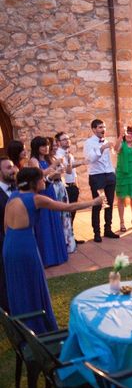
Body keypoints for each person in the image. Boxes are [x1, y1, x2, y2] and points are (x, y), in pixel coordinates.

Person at [3, 167, 102, 333]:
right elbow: (67, 207)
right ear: (33, 183)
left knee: (18, 286)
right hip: (25, 246)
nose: (44, 181)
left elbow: (5, 226)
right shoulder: (35, 199)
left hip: (9, 245)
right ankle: (38, 328)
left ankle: (22, 327)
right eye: (41, 179)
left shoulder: (12, 196)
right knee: (33, 284)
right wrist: (94, 202)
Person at [28, 136, 68, 266]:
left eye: (47, 145)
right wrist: (54, 165)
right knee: (44, 223)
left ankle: (57, 255)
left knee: (54, 221)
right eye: (43, 146)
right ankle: (47, 257)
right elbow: (38, 175)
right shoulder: (33, 160)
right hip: (41, 193)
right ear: (36, 148)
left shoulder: (46, 158)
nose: (46, 148)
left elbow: (49, 176)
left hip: (50, 190)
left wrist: (57, 173)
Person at [83, 119, 119, 242]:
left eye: (104, 127)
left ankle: (108, 229)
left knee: (109, 204)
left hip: (109, 174)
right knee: (98, 204)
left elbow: (112, 156)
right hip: (97, 176)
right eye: (99, 127)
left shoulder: (107, 141)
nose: (103, 129)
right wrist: (102, 148)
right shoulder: (88, 143)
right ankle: (96, 233)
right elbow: (90, 159)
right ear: (93, 129)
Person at [55, 131, 85, 243]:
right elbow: (67, 171)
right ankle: (66, 239)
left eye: (68, 138)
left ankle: (71, 237)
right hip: (65, 187)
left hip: (73, 186)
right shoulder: (58, 155)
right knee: (67, 214)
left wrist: (77, 185)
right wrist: (80, 162)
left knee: (72, 213)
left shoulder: (69, 154)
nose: (67, 140)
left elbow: (73, 172)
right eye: (64, 139)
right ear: (58, 142)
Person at [114, 126, 132, 231]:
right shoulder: (122, 144)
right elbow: (115, 148)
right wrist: (120, 135)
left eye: (131, 133)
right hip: (122, 175)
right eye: (128, 133)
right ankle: (122, 222)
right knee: (121, 198)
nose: (129, 135)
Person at [0, 157, 17, 312]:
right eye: (8, 168)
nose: (13, 170)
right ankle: (8, 310)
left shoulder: (17, 188)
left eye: (13, 167)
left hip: (18, 240)